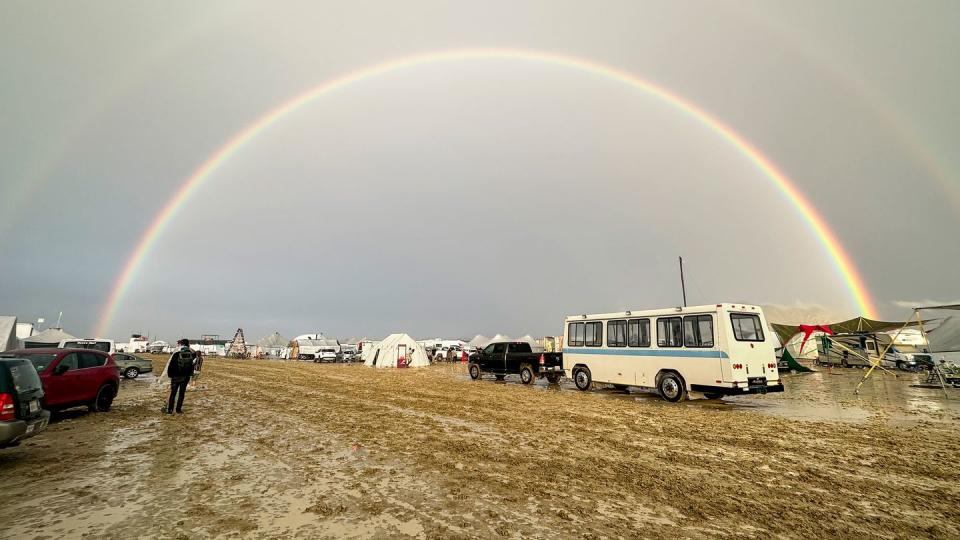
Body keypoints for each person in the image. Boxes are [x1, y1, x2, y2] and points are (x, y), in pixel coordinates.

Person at [166, 338, 197, 414]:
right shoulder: (192, 355)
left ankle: (170, 409)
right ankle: (178, 409)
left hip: (175, 376)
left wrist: (170, 375)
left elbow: (171, 365)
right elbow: (192, 366)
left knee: (173, 393)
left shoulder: (176, 354)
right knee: (181, 393)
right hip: (185, 377)